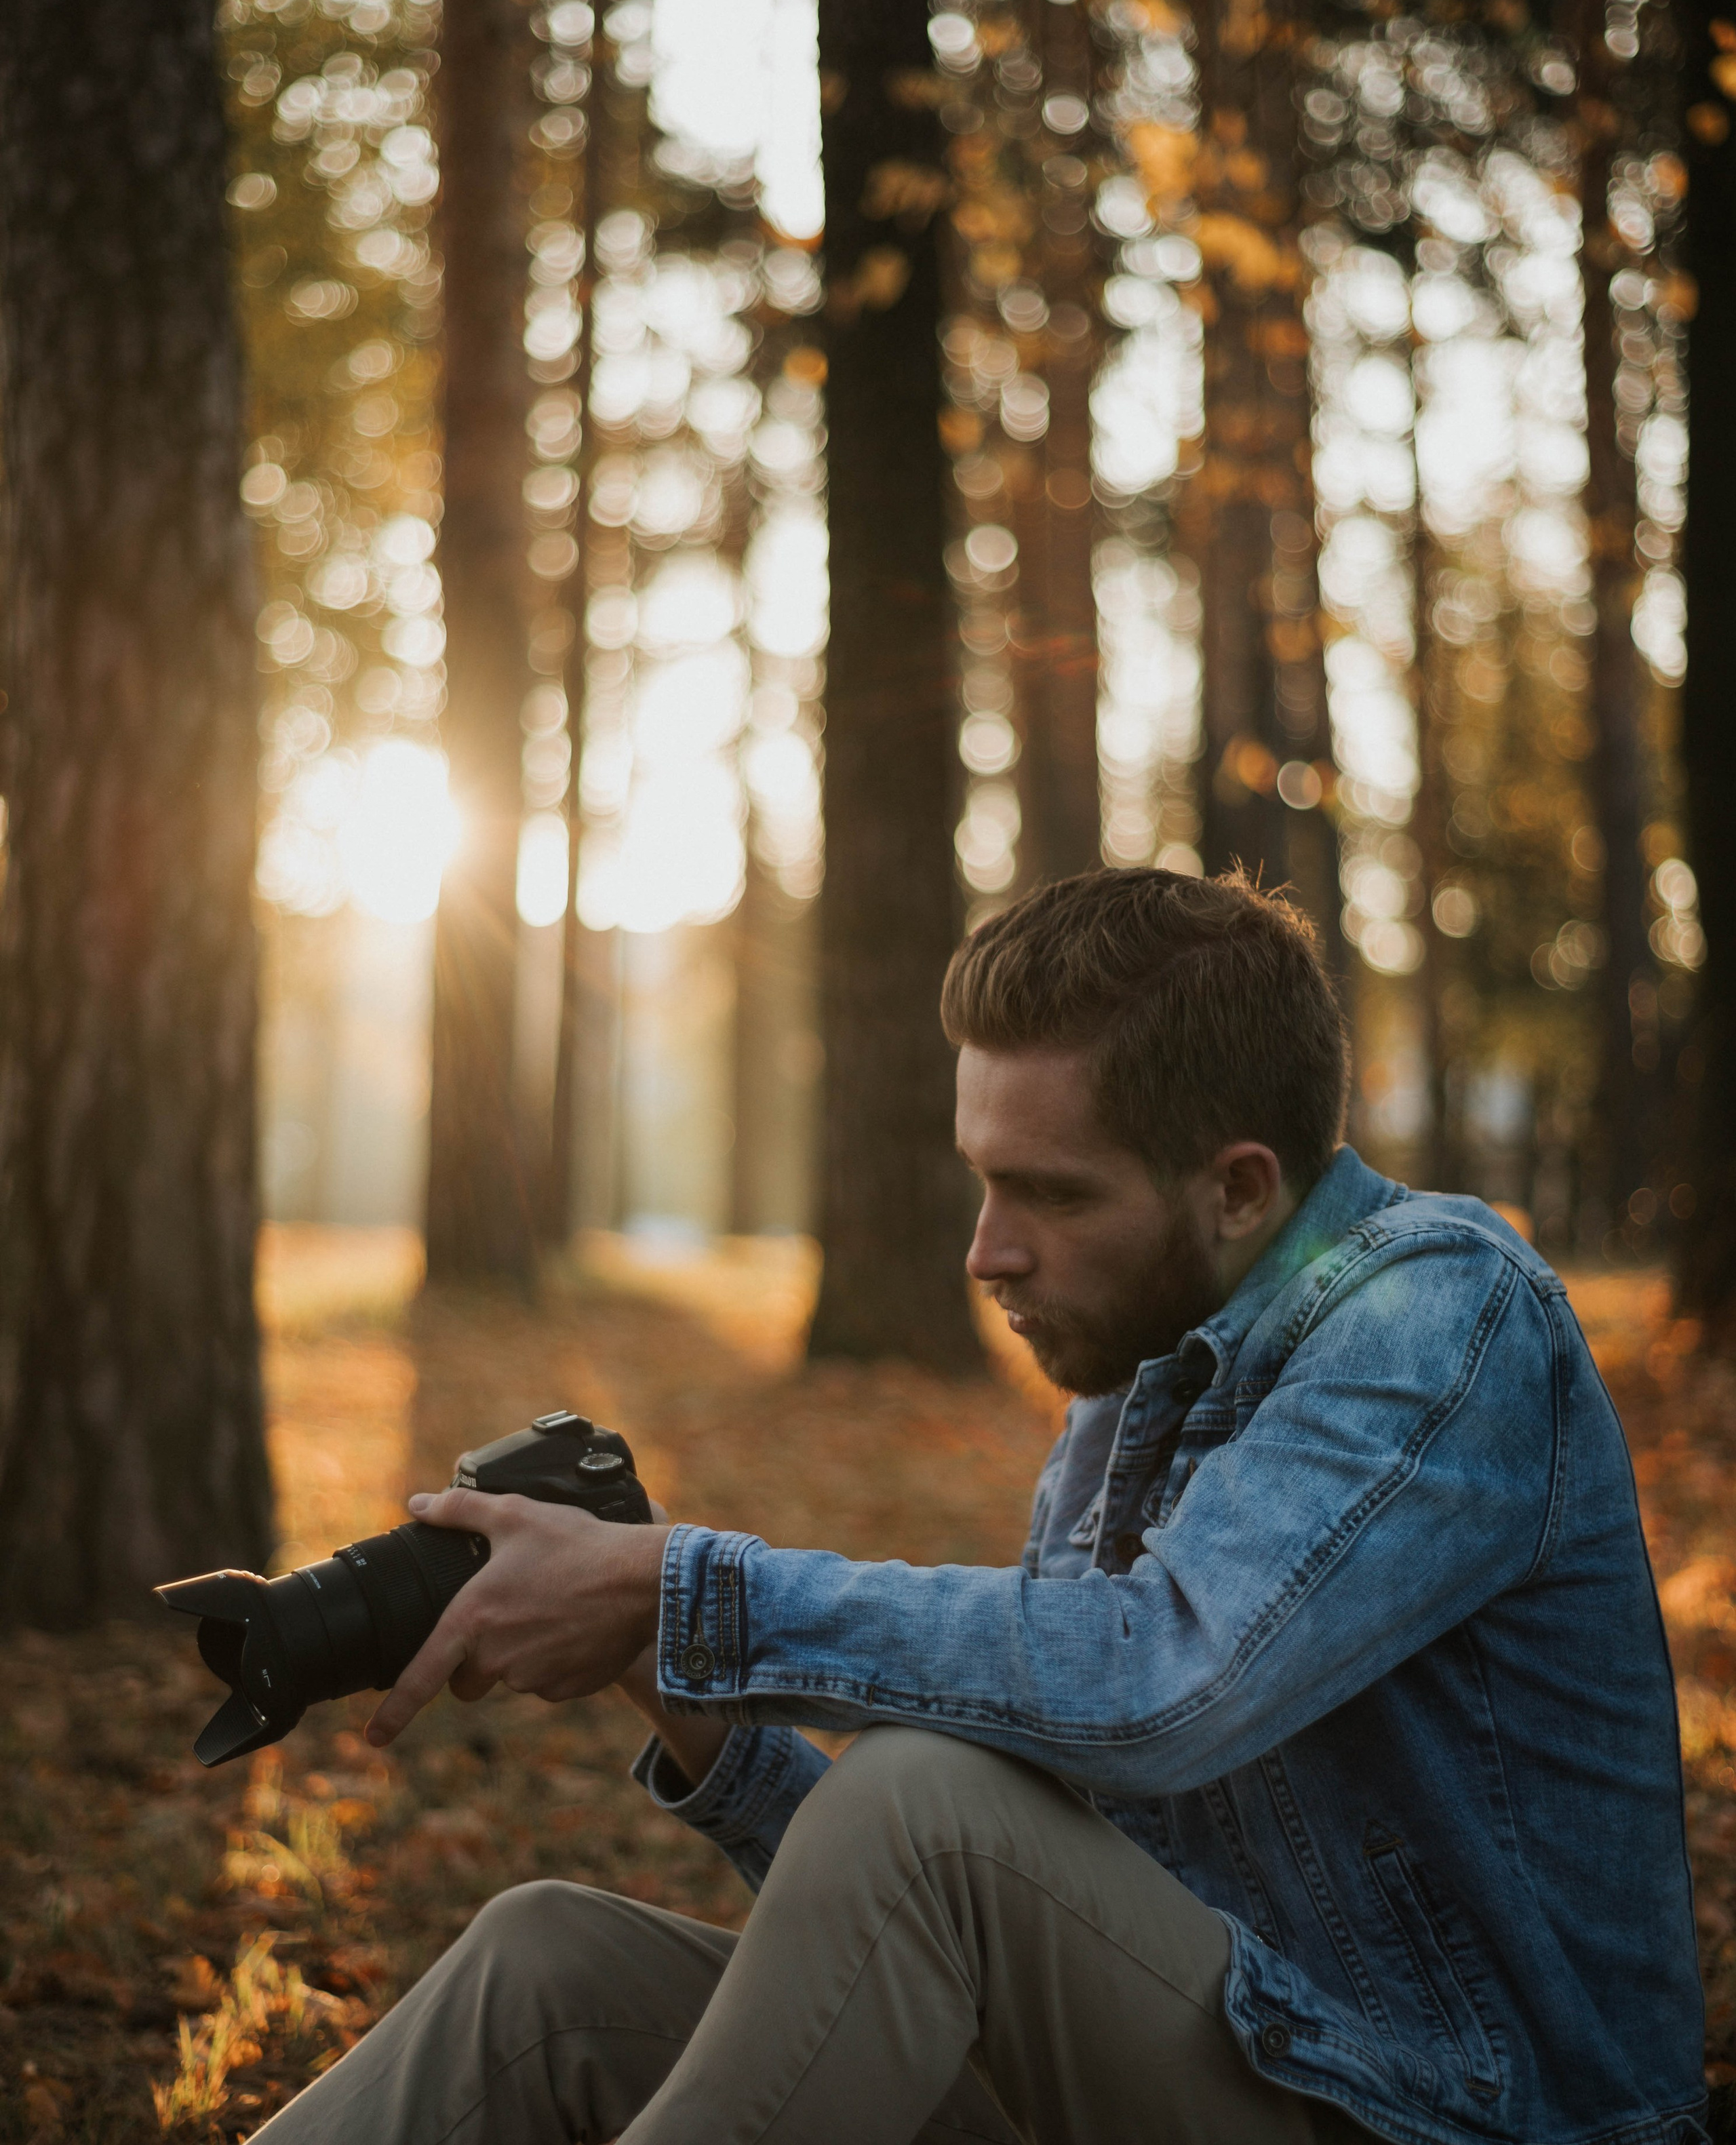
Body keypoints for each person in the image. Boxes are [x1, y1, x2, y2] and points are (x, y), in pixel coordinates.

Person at [252, 869, 1707, 2145]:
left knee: (925, 1798)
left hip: (1444, 2115)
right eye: (980, 1182)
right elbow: (957, 1900)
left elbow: (1158, 1681)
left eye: (1049, 1195)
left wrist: (677, 1586)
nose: (985, 1252)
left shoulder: (1439, 1315)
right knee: (545, 1968)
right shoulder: (1132, 1383)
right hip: (1220, 2062)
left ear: (1239, 1188)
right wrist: (660, 1664)